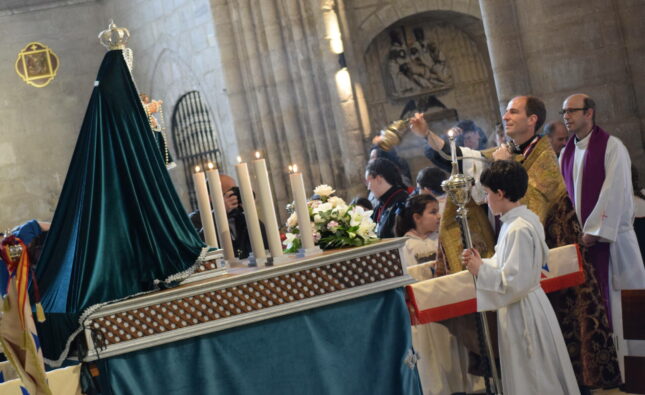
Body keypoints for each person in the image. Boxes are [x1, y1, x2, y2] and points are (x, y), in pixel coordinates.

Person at [410, 95, 620, 390]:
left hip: (551, 270)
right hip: (517, 272)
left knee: (545, 364)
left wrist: (503, 169)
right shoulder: (506, 151)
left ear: (532, 119)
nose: (505, 117)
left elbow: (529, 204)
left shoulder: (543, 159)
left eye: (513, 112)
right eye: (505, 112)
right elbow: (464, 159)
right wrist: (427, 135)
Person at [462, 160, 579, 394]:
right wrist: (482, 262)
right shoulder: (522, 220)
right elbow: (510, 266)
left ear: (500, 192)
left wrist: (480, 270)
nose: (485, 199)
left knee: (534, 376)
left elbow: (514, 282)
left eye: (487, 193)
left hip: (523, 310)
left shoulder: (518, 228)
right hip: (527, 304)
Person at [559, 93, 645, 380]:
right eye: (564, 112)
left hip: (615, 244)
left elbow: (615, 191)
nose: (567, 116)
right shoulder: (566, 153)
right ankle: (613, 372)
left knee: (629, 308)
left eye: (572, 111)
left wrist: (594, 231)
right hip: (586, 245)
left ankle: (637, 373)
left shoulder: (611, 147)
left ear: (590, 113)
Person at [397, 194, 478, 394]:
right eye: (432, 212)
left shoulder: (441, 239)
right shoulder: (406, 245)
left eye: (438, 211)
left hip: (448, 303)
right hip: (426, 310)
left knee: (454, 350)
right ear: (416, 217)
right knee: (435, 357)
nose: (439, 217)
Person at [189, 174, 267, 259]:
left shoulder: (239, 216)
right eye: (230, 192)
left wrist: (249, 212)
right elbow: (198, 247)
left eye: (235, 191)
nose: (234, 196)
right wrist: (219, 212)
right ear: (210, 197)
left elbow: (263, 239)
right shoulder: (195, 219)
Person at [365, 158, 409, 238]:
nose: (368, 188)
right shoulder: (379, 207)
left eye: (369, 182)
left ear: (378, 179)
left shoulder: (403, 201)